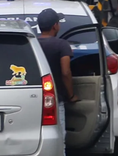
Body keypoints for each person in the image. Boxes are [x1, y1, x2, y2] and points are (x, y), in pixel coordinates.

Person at [37, 8, 79, 155]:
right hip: (55, 100)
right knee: (59, 138)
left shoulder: (33, 44)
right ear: (55, 26)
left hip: (33, 99)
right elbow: (66, 72)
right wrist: (71, 95)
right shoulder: (61, 45)